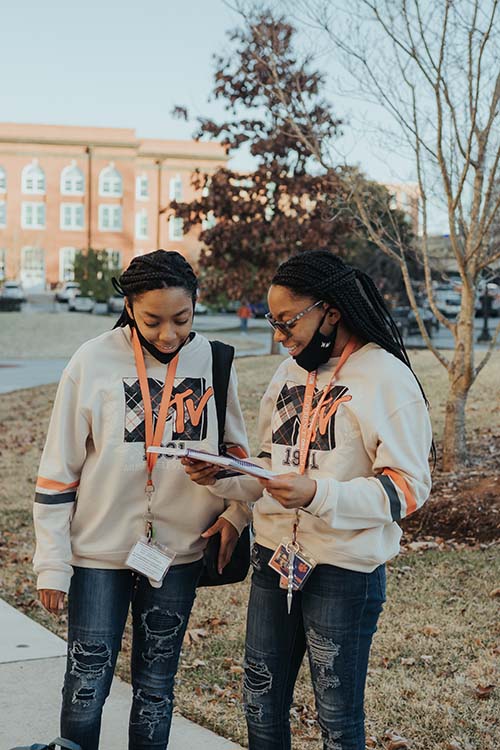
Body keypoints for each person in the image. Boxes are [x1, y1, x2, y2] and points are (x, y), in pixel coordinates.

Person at [182, 250, 433, 750]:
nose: (279, 335)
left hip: (343, 569)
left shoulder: (386, 378)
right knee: (259, 699)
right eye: (273, 321)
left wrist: (317, 493)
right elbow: (269, 466)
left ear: (331, 311)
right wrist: (222, 476)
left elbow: (408, 487)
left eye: (288, 321)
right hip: (276, 558)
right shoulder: (288, 375)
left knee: (336, 717)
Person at [33, 250, 251, 750]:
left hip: (176, 555)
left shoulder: (215, 362)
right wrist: (52, 564)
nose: (169, 334)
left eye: (182, 319)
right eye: (153, 320)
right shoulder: (92, 360)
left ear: (196, 306)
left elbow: (242, 459)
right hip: (97, 557)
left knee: (156, 688)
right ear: (129, 306)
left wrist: (235, 508)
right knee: (86, 685)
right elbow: (57, 470)